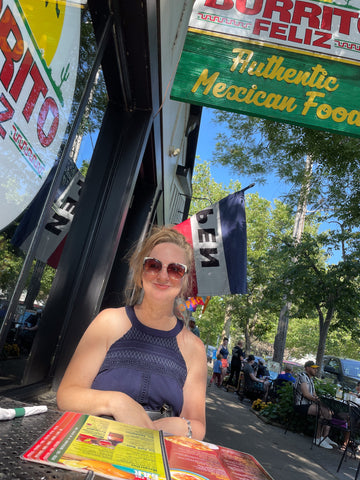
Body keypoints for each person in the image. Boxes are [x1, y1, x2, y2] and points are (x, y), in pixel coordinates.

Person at [57, 226, 208, 440]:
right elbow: (66, 395)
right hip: (95, 447)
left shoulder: (194, 348)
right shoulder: (108, 322)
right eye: (153, 265)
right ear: (140, 274)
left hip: (159, 454)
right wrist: (117, 402)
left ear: (184, 282)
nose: (163, 275)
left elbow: (197, 425)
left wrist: (182, 427)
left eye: (175, 269)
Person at [294, 360, 336, 449]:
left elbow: (314, 395)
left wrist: (320, 401)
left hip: (309, 405)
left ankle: (324, 437)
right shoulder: (302, 377)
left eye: (316, 369)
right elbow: (306, 394)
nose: (315, 370)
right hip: (301, 405)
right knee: (324, 411)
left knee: (329, 411)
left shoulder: (310, 379)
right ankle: (317, 439)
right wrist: (318, 401)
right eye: (314, 368)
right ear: (307, 368)